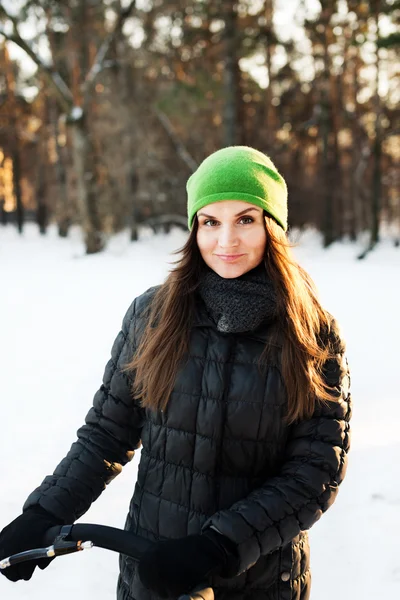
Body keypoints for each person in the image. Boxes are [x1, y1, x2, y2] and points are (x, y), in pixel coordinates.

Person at [0, 146, 351, 600]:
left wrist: (220, 544)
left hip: (258, 582)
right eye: (210, 222)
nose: (226, 241)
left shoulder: (312, 333)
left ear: (273, 227)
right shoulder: (153, 316)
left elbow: (316, 471)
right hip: (153, 572)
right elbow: (108, 434)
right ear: (193, 228)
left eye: (245, 220)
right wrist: (44, 513)